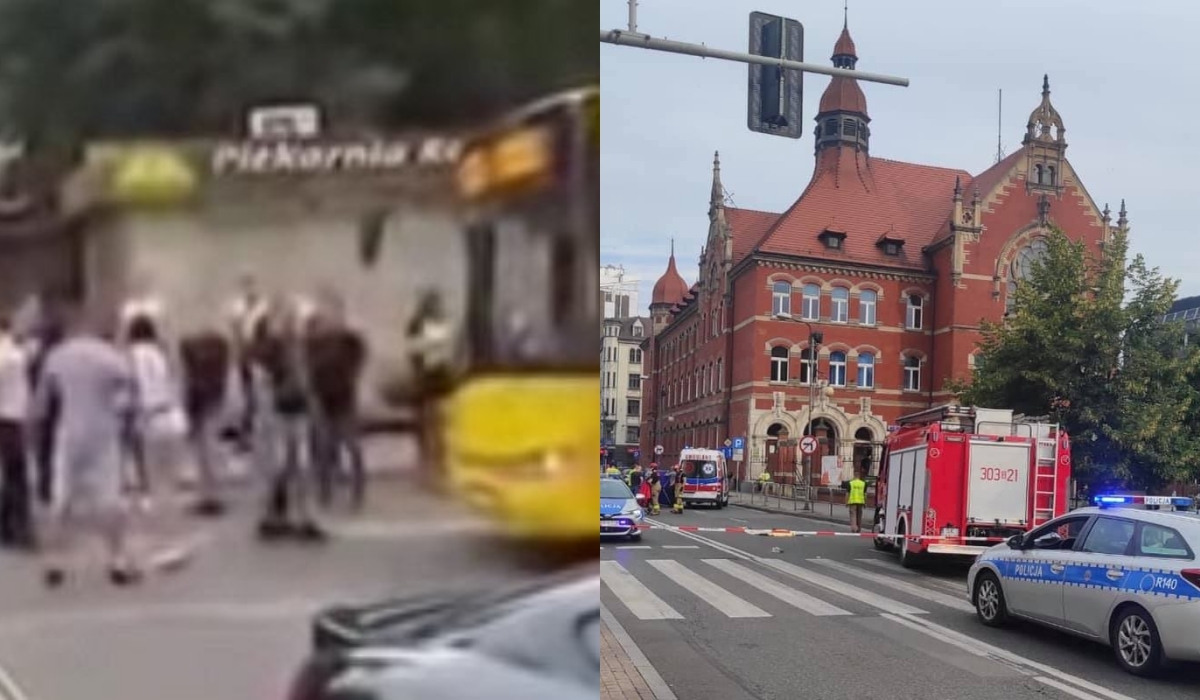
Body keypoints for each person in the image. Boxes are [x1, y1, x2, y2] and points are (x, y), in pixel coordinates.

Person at [30, 306, 142, 586]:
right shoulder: (109, 356)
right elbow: (129, 391)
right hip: (103, 431)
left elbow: (41, 403)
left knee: (60, 498)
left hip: (69, 431)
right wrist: (123, 415)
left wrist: (33, 434)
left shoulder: (57, 356)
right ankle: (117, 560)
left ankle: (54, 562)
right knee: (110, 499)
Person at [250, 304, 324, 542]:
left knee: (299, 465)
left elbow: (306, 380)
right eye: (288, 321)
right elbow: (262, 380)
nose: (293, 326)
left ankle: (299, 517)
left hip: (296, 410)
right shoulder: (271, 350)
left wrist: (311, 403)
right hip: (280, 411)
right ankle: (276, 516)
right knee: (282, 465)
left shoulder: (300, 348)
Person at [304, 309, 368, 509]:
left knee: (352, 446)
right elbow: (306, 369)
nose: (326, 326)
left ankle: (357, 490)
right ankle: (325, 490)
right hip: (323, 401)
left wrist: (354, 374)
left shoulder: (346, 340)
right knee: (324, 447)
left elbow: (360, 348)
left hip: (344, 401)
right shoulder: (312, 345)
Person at [179, 327, 233, 516]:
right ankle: (213, 496)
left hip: (202, 412)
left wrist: (190, 420)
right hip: (214, 407)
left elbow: (191, 396)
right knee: (212, 453)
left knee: (205, 456)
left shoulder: (196, 372)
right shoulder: (219, 370)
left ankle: (209, 498)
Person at [405, 290, 456, 492]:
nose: (438, 307)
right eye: (434, 304)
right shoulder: (416, 325)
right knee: (427, 426)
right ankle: (426, 469)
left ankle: (440, 469)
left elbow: (449, 350)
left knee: (441, 426)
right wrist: (429, 346)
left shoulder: (443, 323)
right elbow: (413, 352)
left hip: (441, 379)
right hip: (425, 381)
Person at [0, 315, 32, 549]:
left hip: (6, 419)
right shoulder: (16, 354)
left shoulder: (8, 354)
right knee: (16, 476)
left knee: (12, 476)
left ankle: (9, 527)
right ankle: (18, 527)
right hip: (13, 420)